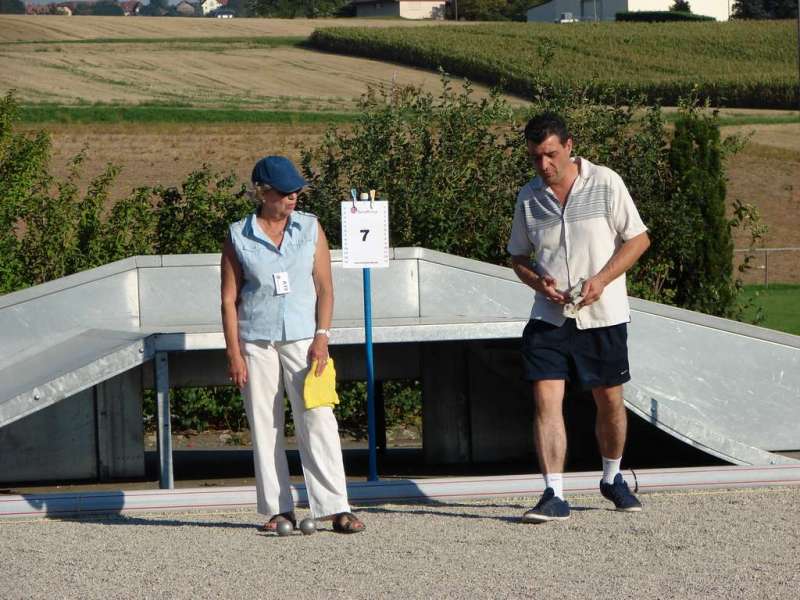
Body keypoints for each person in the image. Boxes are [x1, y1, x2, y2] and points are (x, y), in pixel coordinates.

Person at [507, 113, 651, 523]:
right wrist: (539, 283)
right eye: (536, 158)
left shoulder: (606, 182)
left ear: (570, 146)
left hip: (602, 316)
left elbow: (638, 239)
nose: (544, 165)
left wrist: (602, 280)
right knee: (545, 401)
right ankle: (553, 493)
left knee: (609, 402)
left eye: (550, 155)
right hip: (549, 319)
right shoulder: (528, 198)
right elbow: (517, 257)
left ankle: (612, 476)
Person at [220, 156, 365, 534]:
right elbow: (228, 298)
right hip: (256, 341)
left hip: (305, 340)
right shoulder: (238, 235)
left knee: (318, 418)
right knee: (265, 424)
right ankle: (278, 509)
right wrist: (234, 353)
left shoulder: (311, 228)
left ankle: (335, 506)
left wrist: (323, 337)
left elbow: (325, 288)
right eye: (284, 192)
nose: (293, 198)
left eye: (296, 191)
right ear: (262, 192)